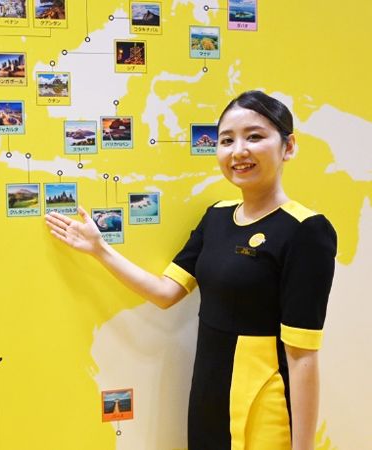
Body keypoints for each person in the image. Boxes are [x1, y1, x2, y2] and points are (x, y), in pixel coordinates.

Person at [45, 90, 337, 450]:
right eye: (226, 140)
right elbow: (166, 292)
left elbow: (302, 355)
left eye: (254, 136)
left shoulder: (306, 230)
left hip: (261, 403)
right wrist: (99, 249)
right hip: (207, 393)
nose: (238, 151)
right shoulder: (216, 216)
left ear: (288, 147)